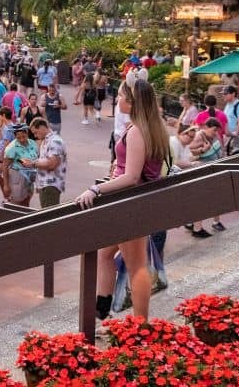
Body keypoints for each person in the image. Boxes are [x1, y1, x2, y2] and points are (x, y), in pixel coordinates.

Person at [75, 79, 170, 321]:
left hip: (131, 205)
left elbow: (131, 176)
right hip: (130, 202)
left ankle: (140, 324)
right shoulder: (146, 127)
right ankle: (102, 308)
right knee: (105, 254)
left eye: (120, 95)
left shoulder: (138, 131)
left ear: (132, 101)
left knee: (136, 265)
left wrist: (96, 189)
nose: (116, 100)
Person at [27, 118, 67, 208]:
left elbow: (52, 164)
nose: (35, 136)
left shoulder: (54, 142)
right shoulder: (47, 140)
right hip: (46, 185)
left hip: (50, 185)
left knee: (48, 215)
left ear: (42, 127)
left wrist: (33, 164)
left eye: (35, 132)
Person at [2, 125, 37, 206]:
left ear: (27, 134)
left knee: (27, 200)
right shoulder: (12, 147)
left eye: (24, 137)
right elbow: (5, 166)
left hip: (30, 177)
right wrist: (6, 185)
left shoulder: (32, 143)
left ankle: (25, 218)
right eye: (18, 138)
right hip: (17, 176)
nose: (21, 139)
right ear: (15, 137)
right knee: (16, 202)